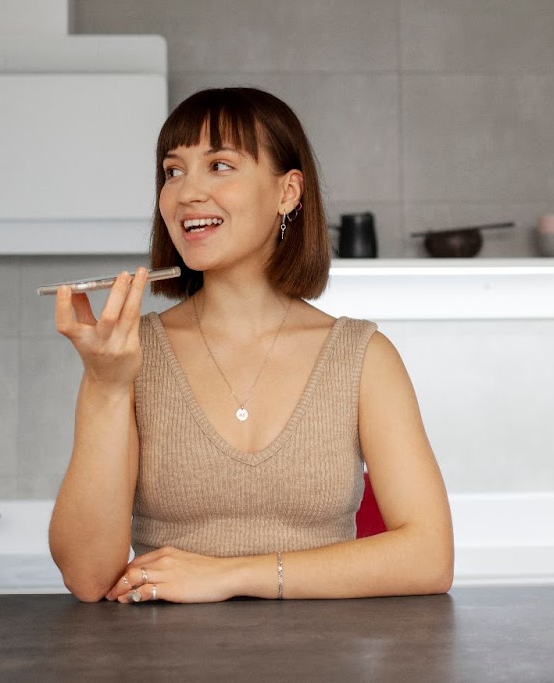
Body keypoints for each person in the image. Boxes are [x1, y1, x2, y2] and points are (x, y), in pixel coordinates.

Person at [49, 87, 454, 603]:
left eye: (220, 165)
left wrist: (231, 575)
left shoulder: (362, 356)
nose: (187, 192)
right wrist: (107, 386)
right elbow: (87, 577)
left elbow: (429, 557)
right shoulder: (131, 354)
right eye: (173, 171)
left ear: (288, 192)